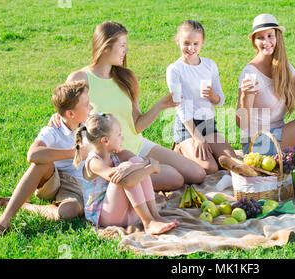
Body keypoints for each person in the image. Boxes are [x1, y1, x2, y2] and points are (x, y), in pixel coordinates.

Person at [56, 21, 206, 191]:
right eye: (122, 46)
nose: (126, 51)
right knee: (176, 179)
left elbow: (137, 126)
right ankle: (125, 176)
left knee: (197, 174)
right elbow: (68, 116)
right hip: (111, 153)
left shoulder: (126, 78)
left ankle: (148, 165)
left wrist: (161, 105)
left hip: (138, 144)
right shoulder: (80, 78)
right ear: (105, 46)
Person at [0, 81, 93, 245]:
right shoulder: (53, 130)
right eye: (87, 104)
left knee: (69, 212)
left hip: (76, 184)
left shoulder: (92, 124)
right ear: (70, 114)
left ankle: (25, 206)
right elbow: (32, 154)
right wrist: (74, 153)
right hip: (54, 180)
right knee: (40, 163)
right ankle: (4, 221)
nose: (92, 107)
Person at [73, 113, 177, 234]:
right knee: (127, 167)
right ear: (105, 140)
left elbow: (156, 167)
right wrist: (148, 167)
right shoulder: (93, 162)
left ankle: (155, 216)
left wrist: (142, 165)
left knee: (135, 162)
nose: (122, 138)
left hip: (126, 214)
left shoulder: (118, 155)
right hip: (104, 217)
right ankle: (148, 222)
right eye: (119, 134)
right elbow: (122, 179)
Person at [236, 14, 295, 156]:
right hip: (256, 143)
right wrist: (245, 96)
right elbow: (241, 124)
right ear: (254, 42)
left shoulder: (285, 67)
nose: (266, 42)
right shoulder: (250, 73)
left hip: (278, 134)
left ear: (278, 37)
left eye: (269, 36)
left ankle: (287, 158)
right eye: (260, 38)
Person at [167, 20, 236, 174]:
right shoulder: (175, 70)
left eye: (195, 43)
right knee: (209, 167)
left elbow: (221, 101)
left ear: (202, 42)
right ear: (178, 41)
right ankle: (180, 148)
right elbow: (181, 107)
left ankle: (199, 150)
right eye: (186, 43)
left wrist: (213, 96)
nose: (191, 48)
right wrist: (198, 138)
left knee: (233, 163)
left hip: (208, 124)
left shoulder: (209, 65)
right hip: (187, 126)